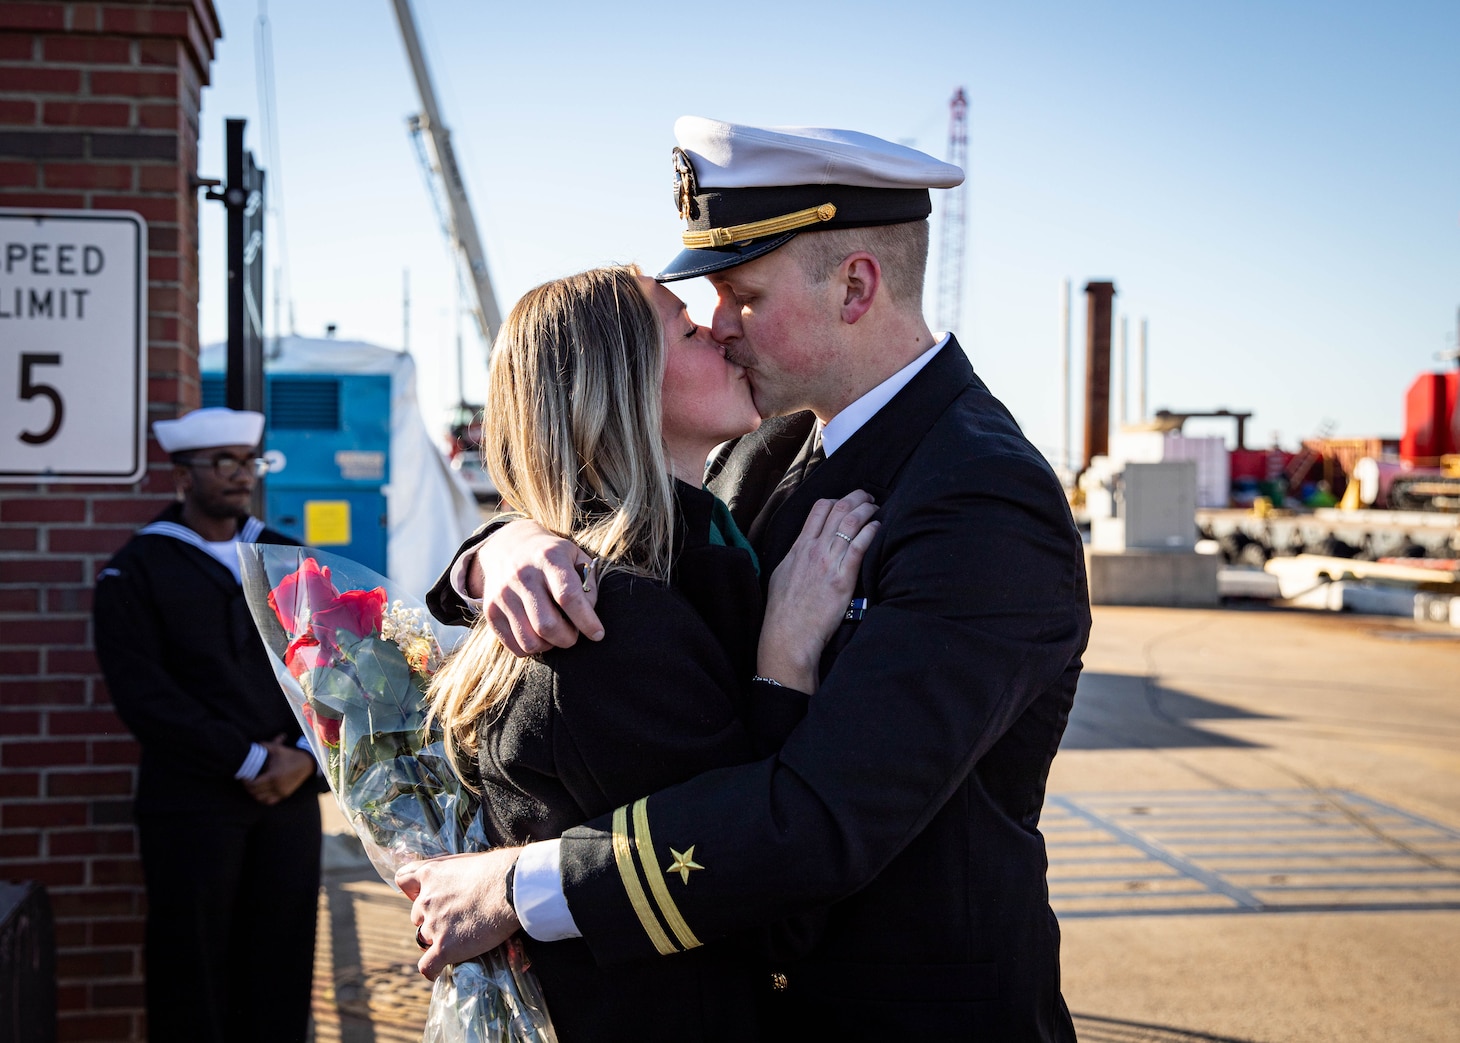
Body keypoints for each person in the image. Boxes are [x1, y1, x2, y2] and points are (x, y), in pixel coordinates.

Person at [400, 117, 1092, 1040]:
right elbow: (636, 514)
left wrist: (520, 884)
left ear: (856, 285)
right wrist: (507, 545)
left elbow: (824, 813)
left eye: (743, 294)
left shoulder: (980, 496)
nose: (719, 326)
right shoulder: (773, 446)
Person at [415, 265, 876, 1040]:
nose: (725, 333)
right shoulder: (611, 618)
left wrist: (490, 548)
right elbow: (758, 897)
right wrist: (786, 661)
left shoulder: (659, 561)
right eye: (690, 330)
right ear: (624, 386)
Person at [92, 408, 321, 1043]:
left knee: (282, 966)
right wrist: (251, 760)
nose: (240, 474)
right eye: (223, 462)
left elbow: (338, 670)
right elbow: (145, 697)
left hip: (290, 804)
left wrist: (305, 755)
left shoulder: (285, 558)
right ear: (182, 475)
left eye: (248, 461)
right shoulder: (136, 571)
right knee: (191, 972)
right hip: (192, 805)